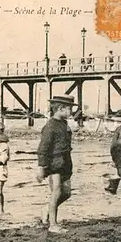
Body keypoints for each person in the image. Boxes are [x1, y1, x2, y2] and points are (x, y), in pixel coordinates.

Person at [37, 95, 77, 233]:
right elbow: (43, 148)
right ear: (60, 109)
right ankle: (53, 224)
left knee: (66, 193)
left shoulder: (64, 124)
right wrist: (41, 167)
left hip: (65, 160)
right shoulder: (50, 126)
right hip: (54, 162)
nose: (71, 111)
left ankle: (46, 209)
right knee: (57, 191)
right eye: (70, 109)